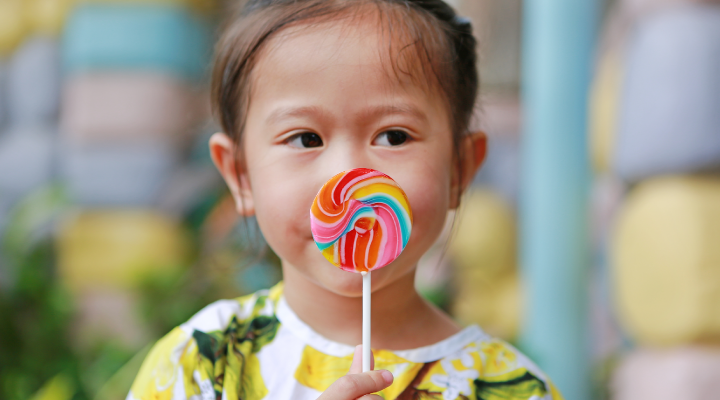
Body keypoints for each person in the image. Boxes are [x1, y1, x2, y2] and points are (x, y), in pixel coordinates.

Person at [127, 0, 564, 399]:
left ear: (459, 170)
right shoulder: (202, 364)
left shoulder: (510, 388)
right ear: (240, 175)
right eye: (305, 138)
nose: (348, 175)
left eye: (394, 136)